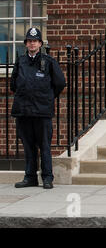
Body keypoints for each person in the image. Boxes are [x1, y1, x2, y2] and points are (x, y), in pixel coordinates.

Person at [11, 27, 66, 189]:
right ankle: (30, 177)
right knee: (28, 146)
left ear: (40, 43)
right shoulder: (20, 61)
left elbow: (60, 83)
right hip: (24, 110)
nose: (32, 43)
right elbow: (14, 84)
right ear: (26, 44)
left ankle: (47, 177)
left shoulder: (48, 62)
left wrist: (47, 98)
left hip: (42, 111)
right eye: (29, 41)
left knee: (44, 146)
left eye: (35, 41)